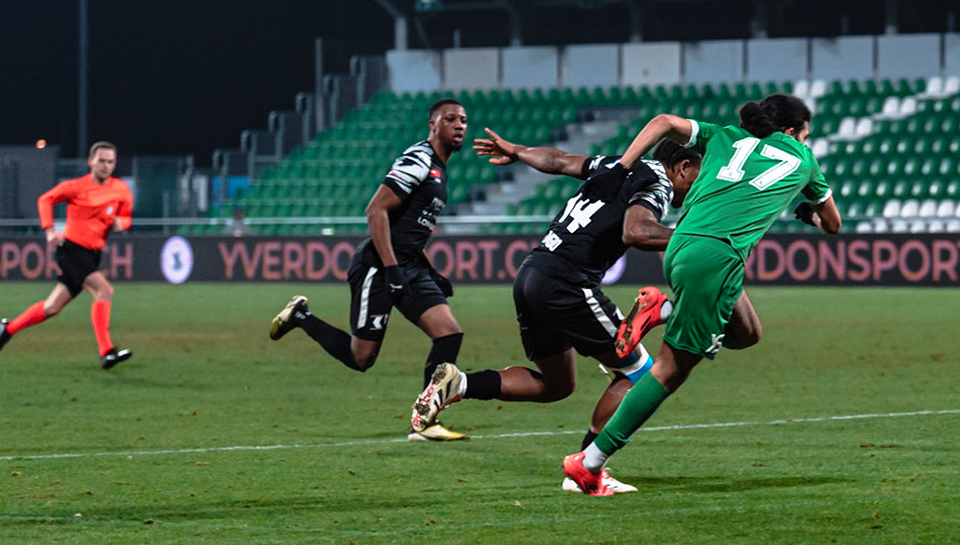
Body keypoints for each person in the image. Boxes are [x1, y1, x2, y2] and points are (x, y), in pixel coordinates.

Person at [562, 92, 839, 496]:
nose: (806, 142)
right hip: (717, 256)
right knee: (669, 371)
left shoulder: (724, 136)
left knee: (747, 333)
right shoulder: (804, 160)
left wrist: (622, 167)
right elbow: (832, 224)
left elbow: (662, 122)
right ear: (792, 132)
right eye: (805, 135)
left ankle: (662, 309)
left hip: (680, 246)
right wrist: (810, 214)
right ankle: (590, 464)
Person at [408, 129, 702, 471]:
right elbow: (637, 232)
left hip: (533, 273)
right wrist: (699, 236)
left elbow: (559, 161)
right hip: (568, 281)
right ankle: (588, 468)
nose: (698, 189)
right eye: (698, 178)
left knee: (556, 384)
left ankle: (460, 383)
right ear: (681, 166)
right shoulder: (658, 182)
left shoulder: (615, 165)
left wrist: (518, 148)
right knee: (638, 373)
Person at [267, 98, 472, 440]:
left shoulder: (440, 167)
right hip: (379, 264)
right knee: (362, 358)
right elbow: (375, 210)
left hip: (408, 265)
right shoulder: (419, 158)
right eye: (450, 119)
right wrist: (391, 271)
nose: (459, 125)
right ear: (433, 126)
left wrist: (430, 271)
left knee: (449, 333)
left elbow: (409, 231)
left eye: (463, 120)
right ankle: (301, 316)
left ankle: (424, 420)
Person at [0, 141, 135, 368]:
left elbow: (127, 215)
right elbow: (45, 199)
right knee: (104, 290)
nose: (105, 166)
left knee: (52, 308)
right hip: (71, 251)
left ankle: (8, 330)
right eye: (101, 161)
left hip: (93, 254)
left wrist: (123, 223)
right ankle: (106, 351)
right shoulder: (76, 186)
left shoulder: (120, 189)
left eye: (110, 162)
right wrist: (49, 230)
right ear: (91, 162)